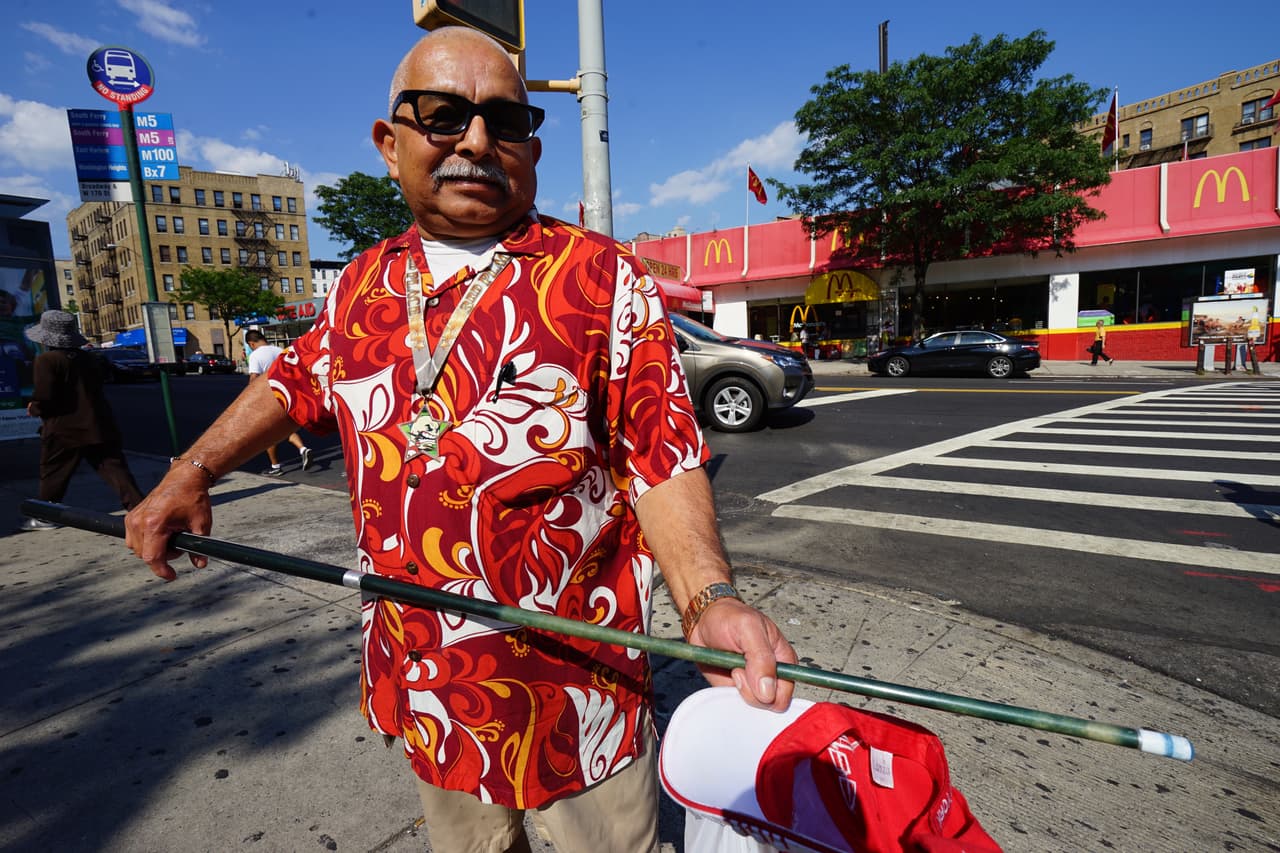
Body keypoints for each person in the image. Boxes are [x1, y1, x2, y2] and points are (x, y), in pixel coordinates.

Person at [125, 27, 795, 853]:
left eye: (505, 121)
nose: (476, 140)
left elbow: (660, 455)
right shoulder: (362, 283)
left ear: (531, 146)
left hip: (575, 698)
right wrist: (192, 469)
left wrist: (707, 599)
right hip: (428, 690)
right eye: (443, 115)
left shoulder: (600, 278)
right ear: (389, 140)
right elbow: (293, 381)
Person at [21, 310, 145, 530]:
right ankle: (142, 512)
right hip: (99, 423)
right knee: (115, 470)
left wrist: (35, 407)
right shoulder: (90, 358)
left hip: (64, 427)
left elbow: (45, 395)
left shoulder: (46, 360)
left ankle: (46, 515)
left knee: (54, 472)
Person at [243, 329, 312, 475]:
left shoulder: (255, 355)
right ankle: (302, 449)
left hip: (269, 396)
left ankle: (276, 467)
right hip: (287, 393)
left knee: (269, 432)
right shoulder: (280, 350)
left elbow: (254, 378)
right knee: (285, 428)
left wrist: (248, 397)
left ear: (251, 344)